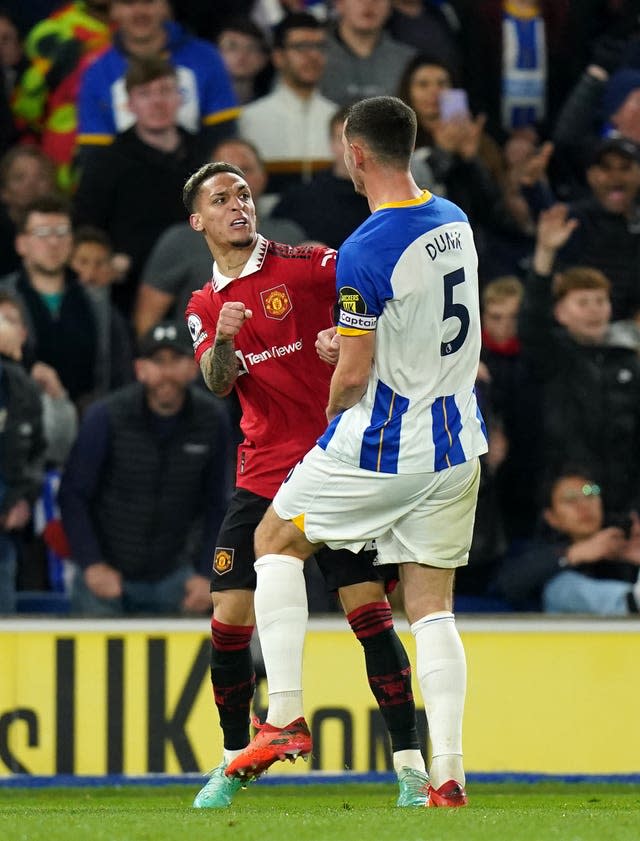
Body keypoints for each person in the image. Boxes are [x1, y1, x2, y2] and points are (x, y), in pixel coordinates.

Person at [224, 96, 488, 807]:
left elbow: (352, 375)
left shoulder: (367, 246)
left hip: (387, 443)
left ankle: (282, 716)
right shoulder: (454, 220)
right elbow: (429, 322)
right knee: (432, 607)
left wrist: (336, 388)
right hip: (458, 442)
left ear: (356, 152)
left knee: (274, 538)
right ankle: (451, 772)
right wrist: (357, 339)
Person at [183, 159, 428, 809]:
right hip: (263, 470)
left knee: (368, 614)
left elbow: (378, 296)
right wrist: (224, 347)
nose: (238, 204)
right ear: (197, 220)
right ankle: (236, 760)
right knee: (228, 618)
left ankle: (410, 766)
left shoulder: (307, 263)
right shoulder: (205, 303)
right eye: (221, 198)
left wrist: (347, 337)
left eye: (242, 193)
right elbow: (214, 381)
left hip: (335, 461)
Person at [58, 321, 232, 617]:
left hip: (176, 575)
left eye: (175, 361)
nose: (165, 372)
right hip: (107, 572)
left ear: (193, 368)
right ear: (140, 368)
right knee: (94, 661)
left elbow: (219, 504)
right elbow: (73, 493)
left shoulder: (211, 420)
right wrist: (92, 564)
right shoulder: (106, 416)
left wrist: (208, 573)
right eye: (156, 361)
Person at [520, 202, 640, 520]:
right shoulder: (553, 355)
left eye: (600, 301)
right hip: (567, 503)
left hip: (623, 503)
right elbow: (532, 322)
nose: (594, 309)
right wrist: (545, 253)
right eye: (583, 302)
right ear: (559, 312)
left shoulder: (629, 362)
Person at [73, 55, 208, 315]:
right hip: (129, 290)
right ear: (129, 104)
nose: (157, 101)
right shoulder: (106, 162)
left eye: (165, 91)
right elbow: (86, 225)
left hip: (202, 281)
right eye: (145, 94)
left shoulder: (203, 155)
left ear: (180, 98)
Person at [133, 137, 307, 338]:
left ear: (263, 177)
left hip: (277, 360)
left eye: (245, 170)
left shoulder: (289, 236)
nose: (234, 181)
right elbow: (146, 325)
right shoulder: (178, 241)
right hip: (200, 363)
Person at [76, 0, 238, 167]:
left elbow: (224, 138)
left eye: (149, 1)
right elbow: (95, 154)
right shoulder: (96, 73)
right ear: (113, 10)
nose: (139, 12)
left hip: (199, 180)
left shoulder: (206, 57)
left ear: (166, 6)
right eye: (128, 3)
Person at [496, 470, 640, 616]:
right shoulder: (536, 552)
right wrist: (573, 554)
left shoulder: (620, 545)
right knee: (561, 585)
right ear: (551, 517)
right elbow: (507, 585)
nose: (583, 505)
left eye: (590, 493)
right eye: (570, 499)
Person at [0, 194, 98, 407]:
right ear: (21, 244)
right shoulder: (3, 297)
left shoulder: (96, 301)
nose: (54, 242)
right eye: (43, 233)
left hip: (88, 421)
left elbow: (115, 368)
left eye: (62, 232)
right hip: (18, 419)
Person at [10, 0, 111, 191]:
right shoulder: (57, 26)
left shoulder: (141, 25)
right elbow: (27, 104)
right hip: (64, 147)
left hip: (124, 143)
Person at [238, 13, 338, 194]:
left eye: (319, 47)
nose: (313, 55)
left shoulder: (338, 119)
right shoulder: (251, 119)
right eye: (301, 47)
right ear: (278, 57)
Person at [270, 105, 371, 248]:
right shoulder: (299, 198)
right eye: (343, 139)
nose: (352, 148)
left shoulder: (391, 198)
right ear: (331, 144)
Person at [320, 0, 415, 106]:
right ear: (339, 4)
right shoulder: (314, 56)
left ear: (390, 6)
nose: (369, 3)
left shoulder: (409, 61)